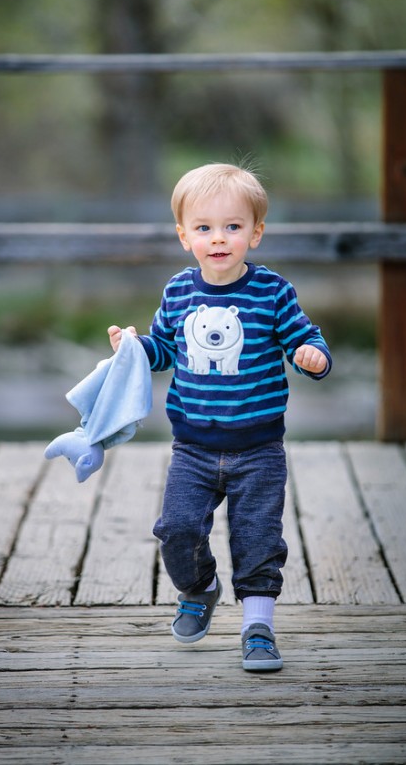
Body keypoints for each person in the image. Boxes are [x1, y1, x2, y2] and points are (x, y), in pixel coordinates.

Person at [108, 163, 331, 672]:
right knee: (177, 527)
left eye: (233, 227)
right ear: (184, 236)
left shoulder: (272, 292)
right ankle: (200, 586)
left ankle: (258, 628)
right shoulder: (179, 292)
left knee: (257, 538)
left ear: (255, 232)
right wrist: (134, 349)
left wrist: (311, 355)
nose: (219, 238)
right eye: (204, 228)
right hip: (193, 446)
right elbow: (164, 349)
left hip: (259, 448)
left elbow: (305, 337)